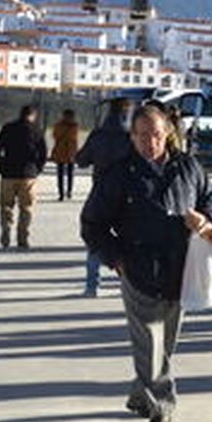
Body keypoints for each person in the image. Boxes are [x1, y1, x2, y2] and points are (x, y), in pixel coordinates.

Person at [80, 103, 212, 422]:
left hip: (181, 271)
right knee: (149, 344)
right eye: (142, 136)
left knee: (165, 345)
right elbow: (91, 224)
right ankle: (162, 404)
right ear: (132, 137)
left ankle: (139, 393)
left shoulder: (188, 167)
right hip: (139, 272)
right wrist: (116, 258)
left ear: (168, 133)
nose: (150, 142)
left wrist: (206, 220)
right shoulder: (119, 174)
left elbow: (209, 199)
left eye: (156, 135)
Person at [77, 98, 134, 296]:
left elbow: (82, 160)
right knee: (128, 237)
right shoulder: (130, 137)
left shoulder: (97, 135)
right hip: (126, 193)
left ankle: (92, 285)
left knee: (95, 235)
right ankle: (128, 283)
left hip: (99, 190)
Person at [0, 104, 47, 249]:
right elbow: (43, 153)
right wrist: (37, 169)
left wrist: (1, 167)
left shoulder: (8, 128)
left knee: (6, 205)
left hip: (8, 173)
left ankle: (6, 228)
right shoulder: (36, 130)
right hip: (28, 174)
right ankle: (23, 237)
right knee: (26, 207)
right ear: (33, 115)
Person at [51, 108, 81, 201]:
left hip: (64, 151)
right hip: (68, 151)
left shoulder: (60, 125)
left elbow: (55, 135)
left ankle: (65, 192)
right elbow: (73, 138)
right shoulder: (74, 126)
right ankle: (65, 192)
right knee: (67, 173)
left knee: (63, 173)